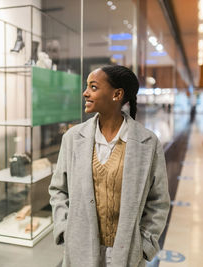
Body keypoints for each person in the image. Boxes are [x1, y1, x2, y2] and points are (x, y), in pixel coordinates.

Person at [49, 65, 170, 267]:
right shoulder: (72, 138)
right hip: (80, 248)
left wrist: (145, 244)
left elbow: (158, 201)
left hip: (127, 252)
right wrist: (63, 229)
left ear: (117, 94)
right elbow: (59, 190)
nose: (85, 93)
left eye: (93, 87)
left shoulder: (148, 143)